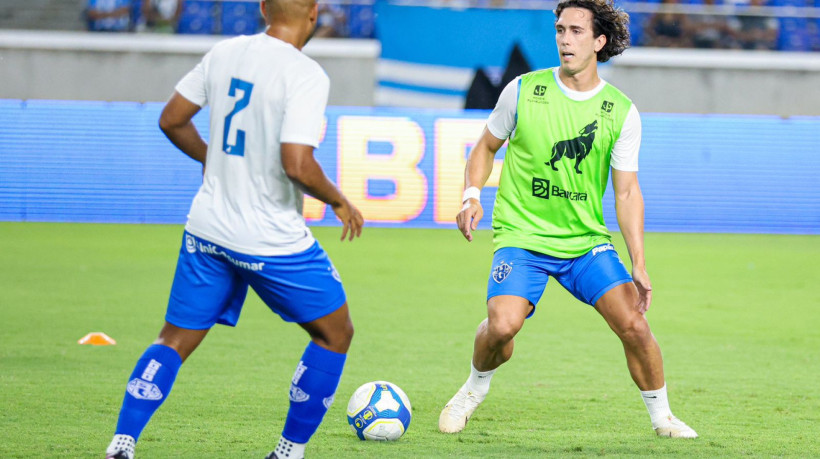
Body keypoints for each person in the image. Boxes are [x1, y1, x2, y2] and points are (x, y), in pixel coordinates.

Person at [104, 0, 364, 458]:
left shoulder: (225, 52)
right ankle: (287, 452)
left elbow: (171, 119)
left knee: (174, 339)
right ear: (314, 14)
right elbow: (297, 164)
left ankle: (122, 444)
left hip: (207, 228)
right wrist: (339, 200)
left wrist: (213, 159)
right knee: (335, 333)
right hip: (269, 237)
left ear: (264, 8)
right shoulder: (305, 75)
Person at [438, 0, 698, 439]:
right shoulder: (523, 90)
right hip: (523, 236)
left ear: (599, 41)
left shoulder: (620, 111)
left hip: (583, 244)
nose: (564, 39)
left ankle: (663, 418)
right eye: (560, 29)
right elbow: (484, 148)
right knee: (502, 326)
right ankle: (472, 389)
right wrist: (470, 196)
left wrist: (639, 262)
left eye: (576, 31)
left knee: (634, 324)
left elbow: (627, 191)